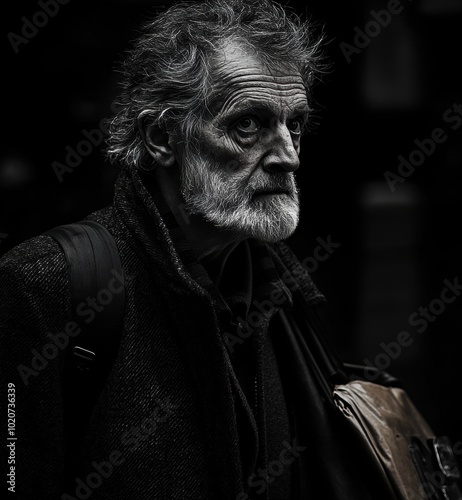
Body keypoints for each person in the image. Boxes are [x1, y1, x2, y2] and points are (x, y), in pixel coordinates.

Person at [1, 1, 371, 499]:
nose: (288, 155)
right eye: (248, 125)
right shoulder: (46, 284)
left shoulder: (281, 290)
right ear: (162, 138)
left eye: (295, 124)